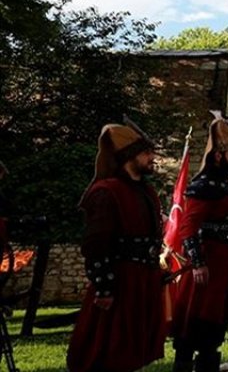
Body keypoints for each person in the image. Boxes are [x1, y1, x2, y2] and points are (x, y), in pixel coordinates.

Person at [66, 120, 165, 372]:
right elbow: (96, 245)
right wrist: (104, 287)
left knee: (132, 352)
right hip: (120, 281)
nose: (152, 157)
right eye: (146, 152)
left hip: (143, 280)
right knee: (106, 351)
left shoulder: (147, 192)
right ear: (128, 155)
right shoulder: (106, 192)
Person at [170, 112, 228, 372]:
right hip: (205, 268)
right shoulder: (203, 186)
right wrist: (198, 262)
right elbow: (188, 227)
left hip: (222, 270)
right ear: (218, 156)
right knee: (193, 325)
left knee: (213, 330)